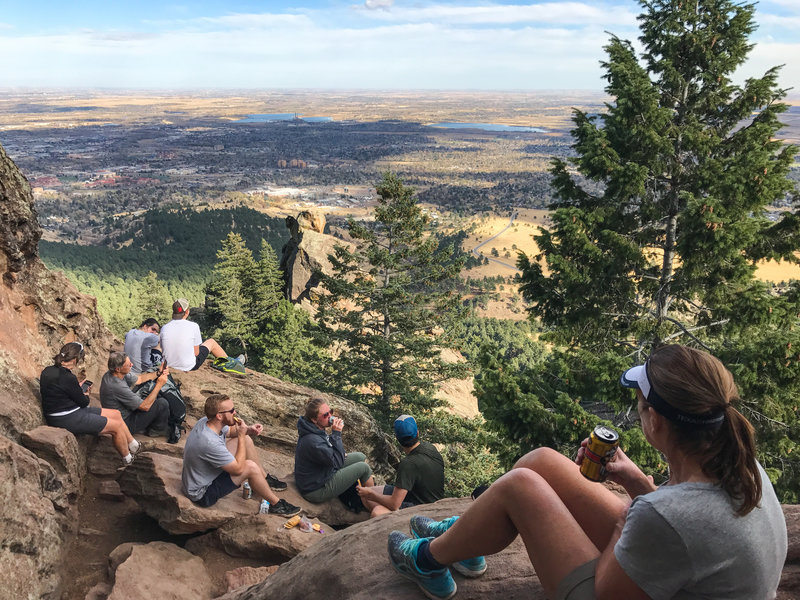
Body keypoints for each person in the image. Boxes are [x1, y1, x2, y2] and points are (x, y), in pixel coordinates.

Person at [387, 344, 788, 600]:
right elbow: (680, 519)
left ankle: (426, 560)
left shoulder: (664, 515)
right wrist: (634, 482)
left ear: (658, 424)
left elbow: (607, 590)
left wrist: (627, 520)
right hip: (675, 576)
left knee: (521, 487)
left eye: (640, 404)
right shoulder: (742, 463)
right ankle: (466, 540)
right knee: (542, 460)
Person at [181, 393, 299, 516]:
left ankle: (264, 480)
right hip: (202, 493)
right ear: (219, 416)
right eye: (231, 411)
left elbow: (231, 432)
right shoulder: (209, 441)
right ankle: (277, 505)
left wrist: (248, 430)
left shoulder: (207, 421)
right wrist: (242, 435)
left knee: (246, 440)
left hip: (203, 476)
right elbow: (238, 470)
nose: (235, 412)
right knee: (250, 467)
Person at [40, 342, 141, 466]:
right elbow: (84, 402)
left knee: (116, 414)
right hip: (66, 417)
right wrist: (86, 393)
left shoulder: (47, 371)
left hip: (65, 412)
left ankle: (134, 445)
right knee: (116, 427)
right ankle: (128, 459)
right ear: (76, 359)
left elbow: (58, 390)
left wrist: (76, 388)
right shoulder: (68, 377)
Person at [357, 414, 444, 517]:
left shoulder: (408, 463)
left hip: (423, 508)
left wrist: (371, 495)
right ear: (417, 433)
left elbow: (394, 504)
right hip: (415, 495)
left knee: (376, 510)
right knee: (368, 495)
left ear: (397, 439)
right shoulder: (430, 448)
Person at [295, 398, 376, 506]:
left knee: (360, 456)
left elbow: (332, 454)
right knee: (364, 468)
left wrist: (338, 448)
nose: (330, 416)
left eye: (330, 412)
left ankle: (368, 494)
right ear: (314, 419)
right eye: (325, 415)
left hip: (322, 472)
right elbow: (336, 462)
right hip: (315, 489)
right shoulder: (313, 441)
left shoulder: (314, 429)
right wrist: (336, 434)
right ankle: (374, 502)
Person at [99, 351, 173, 440]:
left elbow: (140, 379)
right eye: (128, 365)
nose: (132, 364)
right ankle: (157, 430)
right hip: (125, 424)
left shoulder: (114, 374)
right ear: (118, 369)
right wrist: (159, 384)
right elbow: (145, 406)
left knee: (151, 396)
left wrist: (158, 373)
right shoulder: (117, 386)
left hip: (121, 414)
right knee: (162, 403)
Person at [160, 298, 238, 372]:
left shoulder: (164, 327)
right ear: (187, 311)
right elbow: (196, 353)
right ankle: (232, 363)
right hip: (189, 366)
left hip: (168, 366)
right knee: (211, 342)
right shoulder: (193, 326)